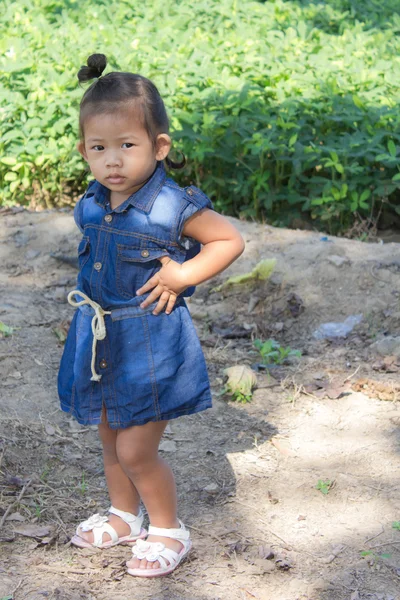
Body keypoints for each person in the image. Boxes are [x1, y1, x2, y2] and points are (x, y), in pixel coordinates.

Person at [58, 53, 244, 578]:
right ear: (84, 152)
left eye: (127, 145)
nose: (112, 160)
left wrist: (184, 275)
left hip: (150, 342)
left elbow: (228, 240)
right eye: (99, 148)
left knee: (137, 448)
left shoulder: (172, 206)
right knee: (108, 434)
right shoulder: (93, 202)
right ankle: (124, 515)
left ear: (159, 147)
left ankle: (167, 528)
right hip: (99, 338)